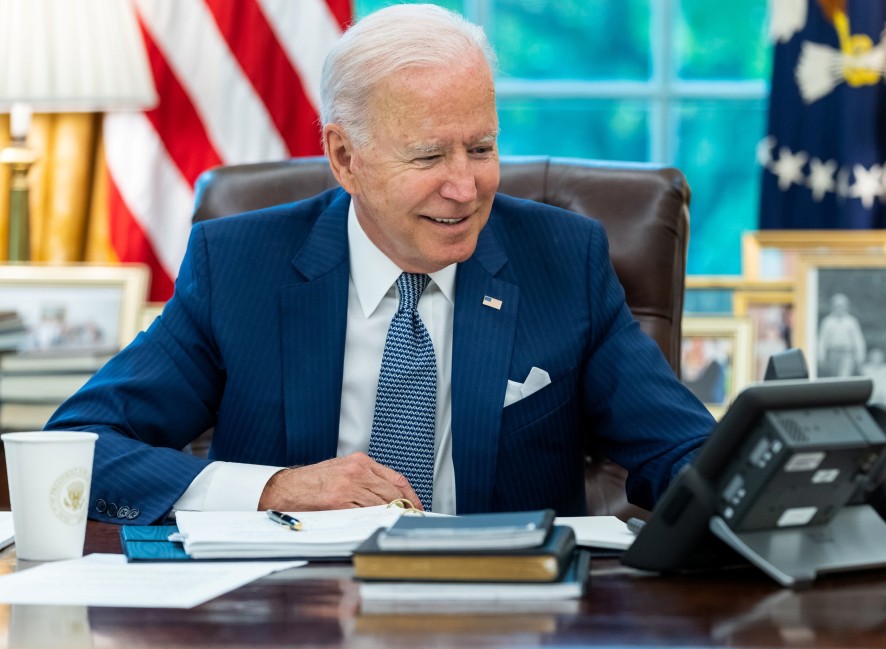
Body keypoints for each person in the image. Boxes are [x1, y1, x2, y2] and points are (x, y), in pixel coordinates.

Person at [46, 4, 715, 525]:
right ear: (345, 159)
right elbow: (76, 448)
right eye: (428, 157)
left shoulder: (564, 261)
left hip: (508, 626)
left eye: (480, 148)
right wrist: (273, 489)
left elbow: (681, 450)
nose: (465, 186)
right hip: (289, 623)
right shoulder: (241, 267)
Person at [816, 293, 866, 378]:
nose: (839, 308)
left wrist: (860, 356)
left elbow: (858, 340)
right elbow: (822, 340)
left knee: (844, 376)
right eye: (837, 306)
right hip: (832, 353)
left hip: (847, 353)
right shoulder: (827, 322)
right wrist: (821, 356)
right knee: (834, 378)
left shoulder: (851, 322)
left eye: (842, 306)